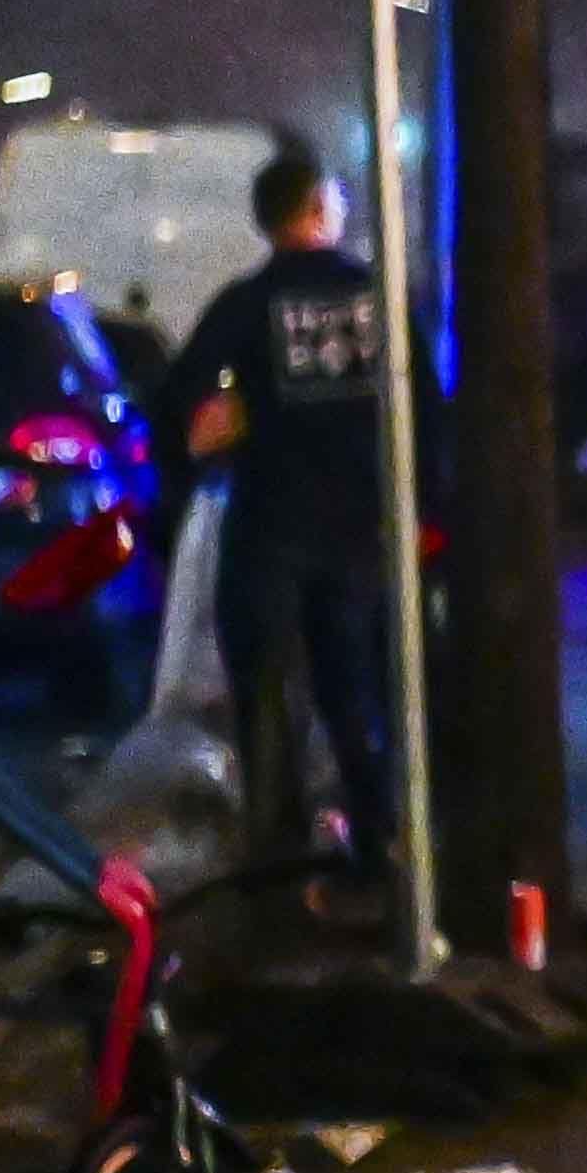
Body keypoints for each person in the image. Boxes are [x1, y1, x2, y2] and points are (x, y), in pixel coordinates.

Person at [158, 147, 406, 884]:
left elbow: (176, 399)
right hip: (359, 525)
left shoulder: (247, 303)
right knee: (350, 687)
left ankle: (275, 856)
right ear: (320, 209)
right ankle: (377, 840)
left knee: (265, 692)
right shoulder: (374, 295)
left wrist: (213, 437)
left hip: (272, 523)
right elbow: (424, 397)